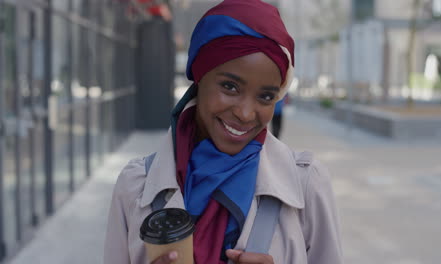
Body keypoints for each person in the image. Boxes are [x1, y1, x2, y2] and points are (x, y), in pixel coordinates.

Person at [103, 1, 342, 263]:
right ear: (199, 78)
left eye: (266, 96)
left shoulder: (307, 186)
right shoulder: (135, 187)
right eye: (230, 86)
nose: (246, 113)